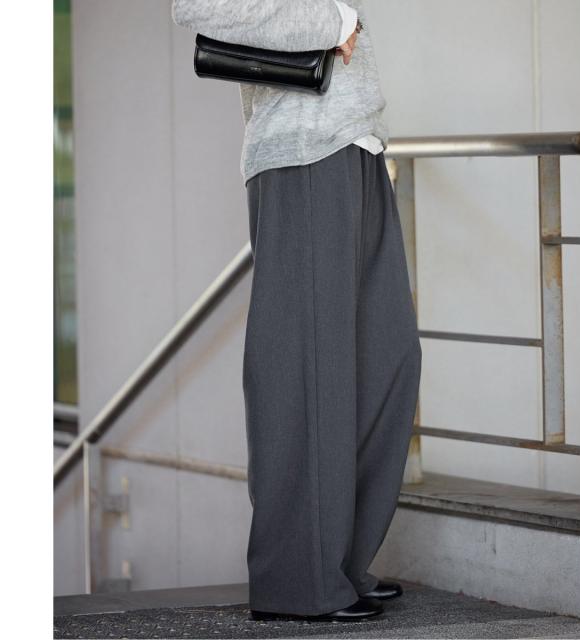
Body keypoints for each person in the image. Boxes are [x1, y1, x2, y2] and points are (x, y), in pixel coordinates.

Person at [171, 0, 422, 622]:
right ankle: (298, 582)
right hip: (301, 153)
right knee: (305, 371)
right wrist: (335, 21)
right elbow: (197, 7)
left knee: (385, 359)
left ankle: (339, 562)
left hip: (356, 146)